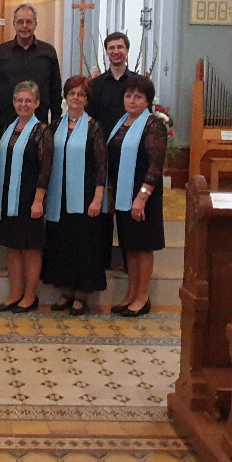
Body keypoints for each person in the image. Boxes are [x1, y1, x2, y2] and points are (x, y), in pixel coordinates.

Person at [41, 75, 108, 316]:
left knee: (83, 245)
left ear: (87, 100)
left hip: (85, 196)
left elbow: (101, 165)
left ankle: (81, 295)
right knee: (62, 243)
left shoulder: (94, 127)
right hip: (59, 196)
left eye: (81, 94)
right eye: (72, 93)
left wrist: (98, 198)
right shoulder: (55, 126)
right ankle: (66, 291)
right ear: (66, 97)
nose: (76, 98)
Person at [105, 75, 167, 317]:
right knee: (129, 247)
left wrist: (142, 197)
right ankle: (131, 294)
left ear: (147, 101)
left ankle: (143, 297)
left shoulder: (153, 126)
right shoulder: (121, 123)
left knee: (143, 247)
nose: (132, 100)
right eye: (128, 95)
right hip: (124, 194)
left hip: (143, 196)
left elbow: (155, 166)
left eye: (138, 96)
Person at [0, 81, 53, 314]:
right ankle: (15, 293)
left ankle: (30, 296)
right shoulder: (9, 128)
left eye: (28, 100)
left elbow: (46, 169)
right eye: (19, 100)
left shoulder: (42, 131)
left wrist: (38, 200)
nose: (23, 104)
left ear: (37, 103)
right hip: (8, 197)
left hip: (30, 198)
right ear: (13, 102)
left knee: (31, 248)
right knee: (13, 247)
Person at [87, 31, 142, 270]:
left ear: (127, 50)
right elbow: (91, 119)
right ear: (107, 52)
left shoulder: (137, 83)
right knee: (103, 210)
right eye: (111, 48)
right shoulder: (97, 85)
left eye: (120, 47)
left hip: (131, 155)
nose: (116, 51)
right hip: (103, 155)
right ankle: (104, 260)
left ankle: (130, 261)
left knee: (128, 209)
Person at [0, 3, 62, 133]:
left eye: (29, 22)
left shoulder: (48, 52)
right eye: (20, 22)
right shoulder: (1, 52)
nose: (24, 26)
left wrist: (55, 124)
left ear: (35, 24)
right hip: (5, 123)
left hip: (39, 125)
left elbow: (55, 91)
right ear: (14, 24)